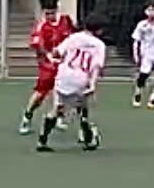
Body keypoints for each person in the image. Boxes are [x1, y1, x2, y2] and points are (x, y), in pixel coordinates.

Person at [38, 12, 106, 152]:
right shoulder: (99, 45)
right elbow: (95, 67)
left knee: (57, 108)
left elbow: (58, 52)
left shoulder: (74, 37)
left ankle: (42, 139)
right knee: (83, 109)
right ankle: (88, 139)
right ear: (99, 30)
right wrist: (92, 84)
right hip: (81, 79)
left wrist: (53, 55)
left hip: (64, 76)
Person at [18, 0, 75, 135]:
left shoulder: (66, 21)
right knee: (41, 94)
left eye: (52, 12)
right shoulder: (41, 26)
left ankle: (58, 117)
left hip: (64, 64)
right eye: (47, 13)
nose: (50, 16)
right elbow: (37, 45)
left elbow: (73, 38)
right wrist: (49, 56)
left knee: (63, 91)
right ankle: (27, 116)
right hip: (48, 65)